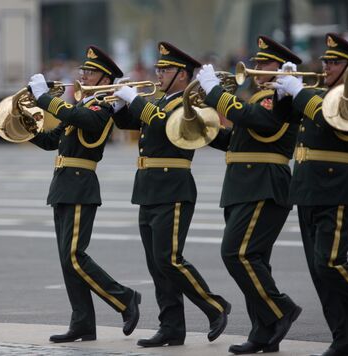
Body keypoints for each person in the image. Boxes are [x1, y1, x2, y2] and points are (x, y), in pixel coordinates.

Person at [111, 42, 231, 347]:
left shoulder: (189, 103)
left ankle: (214, 305)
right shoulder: (162, 101)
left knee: (169, 259)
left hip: (173, 186)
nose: (159, 73)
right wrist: (118, 102)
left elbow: (164, 125)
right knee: (157, 264)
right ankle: (171, 325)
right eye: (159, 68)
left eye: (165, 69)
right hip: (149, 187)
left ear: (183, 74)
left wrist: (136, 100)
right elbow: (133, 121)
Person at [25, 45, 141, 343]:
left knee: (75, 256)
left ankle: (125, 299)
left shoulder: (101, 106)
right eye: (84, 71)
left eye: (90, 72)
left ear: (105, 79)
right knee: (67, 260)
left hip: (80, 184)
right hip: (63, 184)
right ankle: (83, 323)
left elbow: (86, 122)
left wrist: (45, 99)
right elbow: (53, 141)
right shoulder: (82, 105)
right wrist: (26, 126)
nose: (84, 76)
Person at [196, 35, 303, 354]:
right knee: (254, 260)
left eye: (264, 63)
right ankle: (264, 331)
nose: (256, 68)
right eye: (256, 62)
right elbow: (238, 139)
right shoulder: (260, 97)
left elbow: (258, 122)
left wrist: (216, 92)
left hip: (264, 183)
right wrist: (199, 131)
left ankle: (281, 309)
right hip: (244, 184)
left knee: (236, 253)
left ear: (281, 67)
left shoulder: (278, 97)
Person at [273, 33, 348, 356]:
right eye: (326, 61)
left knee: (330, 262)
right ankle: (344, 341)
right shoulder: (318, 92)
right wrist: (282, 92)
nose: (327, 66)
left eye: (334, 62)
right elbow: (283, 118)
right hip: (307, 189)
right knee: (321, 273)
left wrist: (298, 91)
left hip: (338, 188)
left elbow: (328, 117)